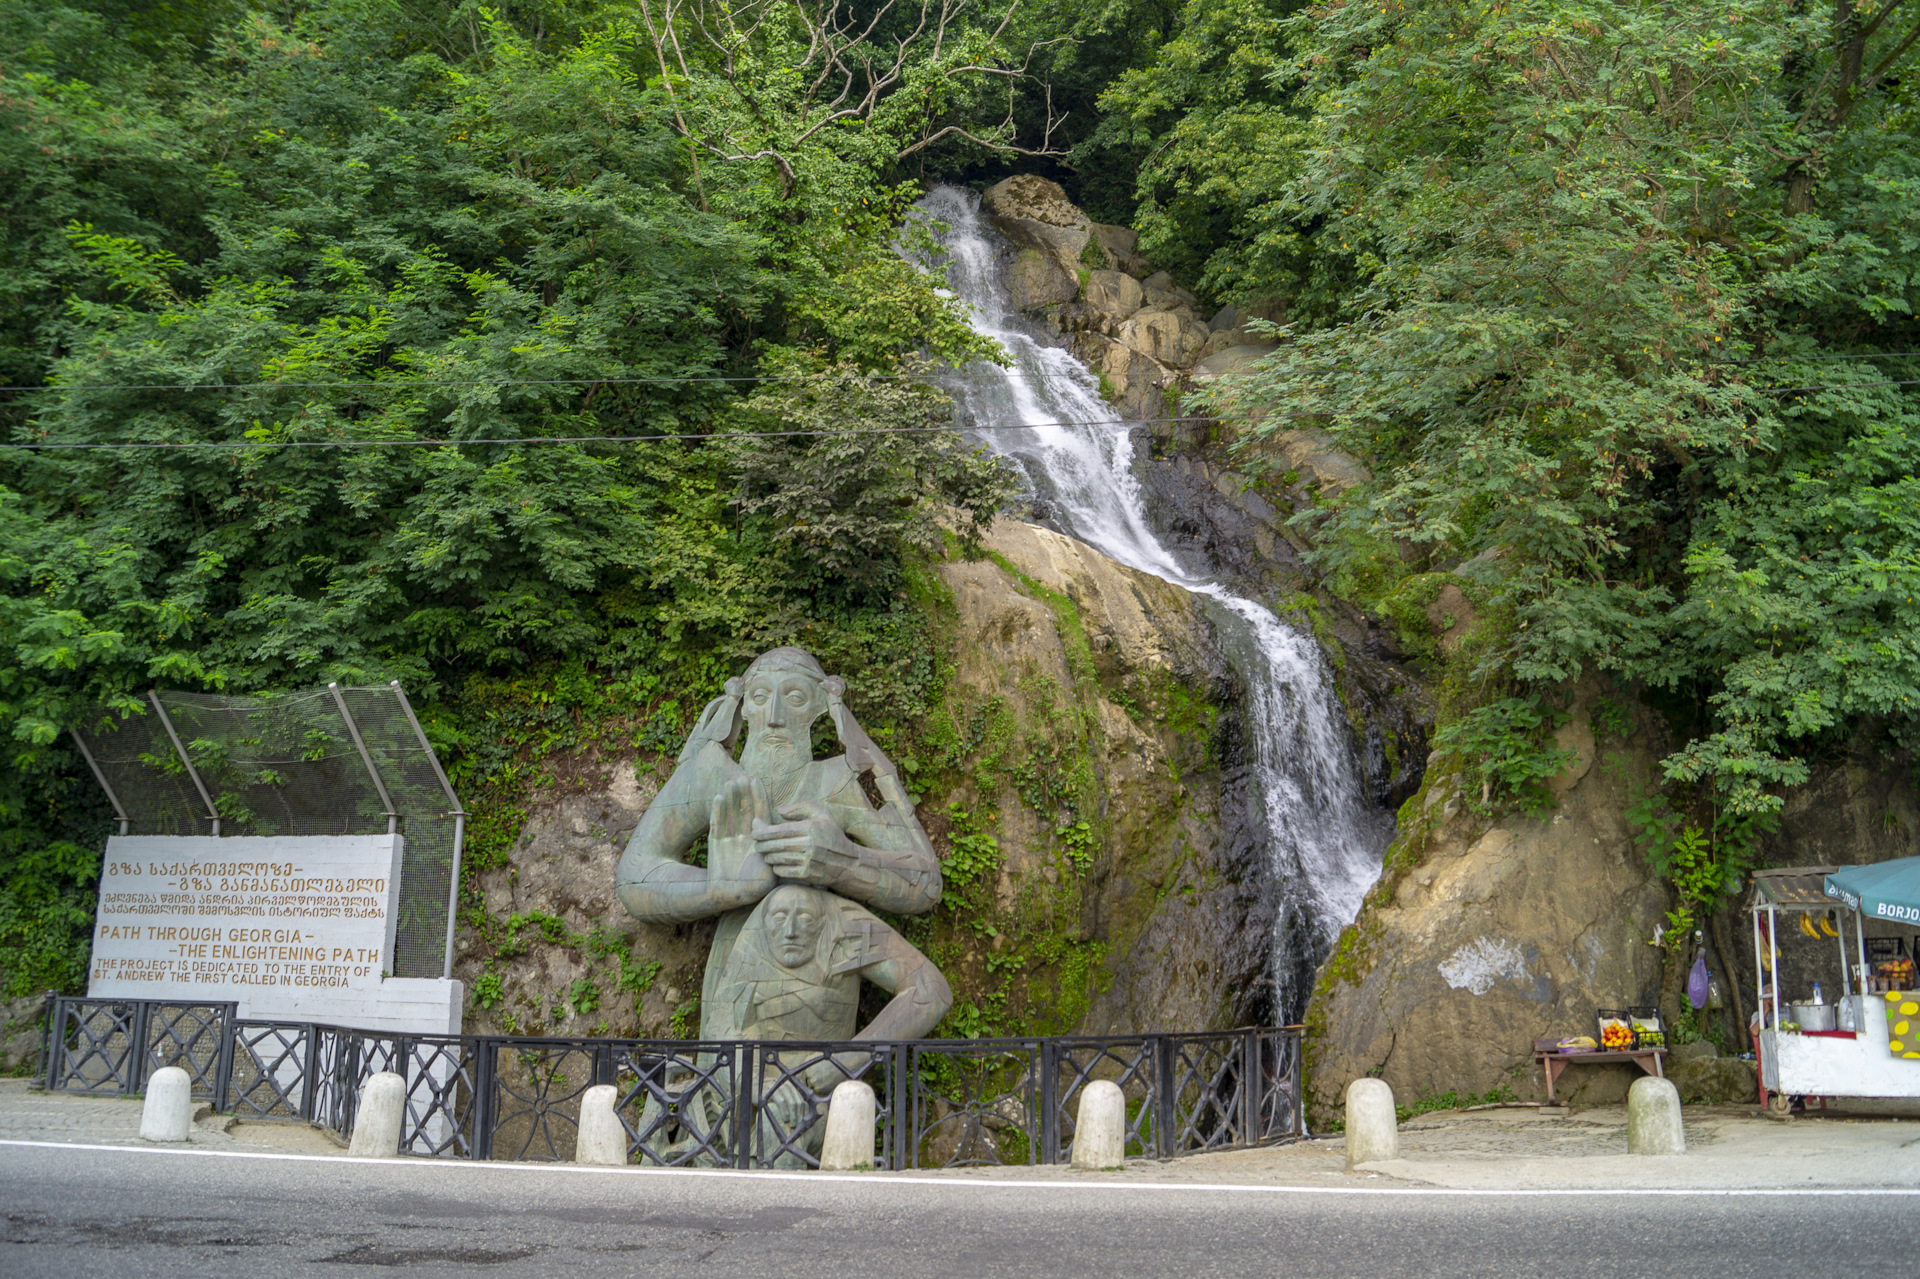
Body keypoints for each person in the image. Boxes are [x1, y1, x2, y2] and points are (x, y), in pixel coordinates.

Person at [615, 646, 945, 1039]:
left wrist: (844, 862)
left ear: (819, 708)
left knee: (815, 1091)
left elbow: (926, 884)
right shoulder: (711, 773)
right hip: (736, 976)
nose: (774, 717)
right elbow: (634, 878)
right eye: (760, 697)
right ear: (745, 709)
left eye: (794, 698)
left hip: (822, 970)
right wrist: (718, 890)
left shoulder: (838, 780)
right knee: (731, 1086)